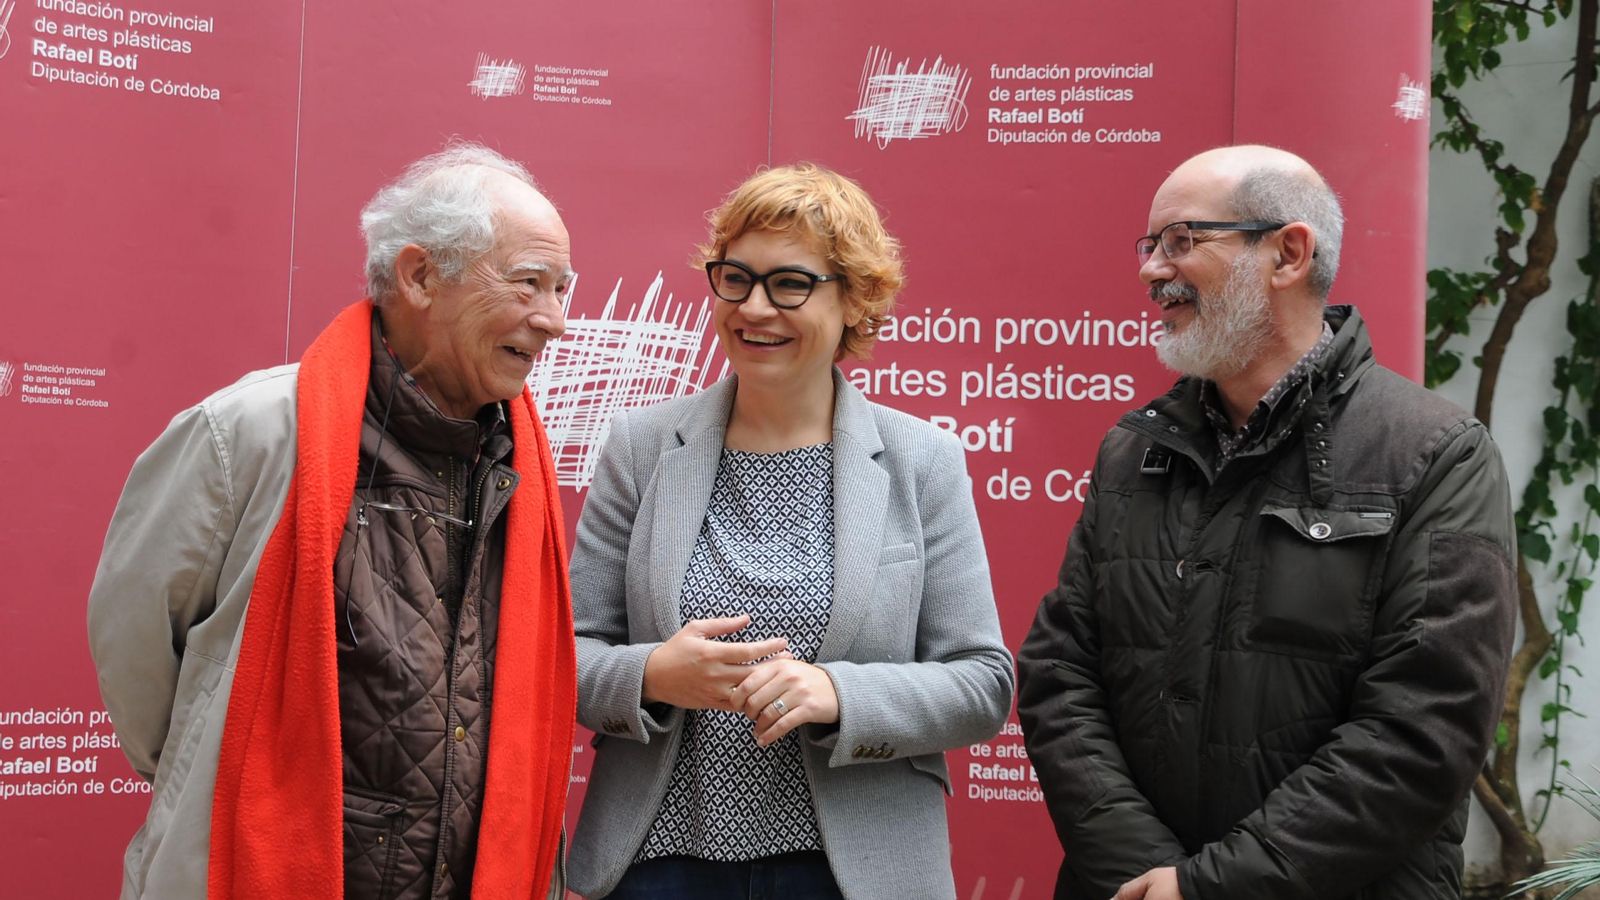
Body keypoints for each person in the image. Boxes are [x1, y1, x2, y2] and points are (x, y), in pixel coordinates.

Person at [1017, 145, 1518, 900]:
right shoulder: (1135, 449)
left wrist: (1208, 888)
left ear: (1288, 253)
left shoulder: (1436, 457)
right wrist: (1141, 871)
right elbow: (1062, 676)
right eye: (1150, 246)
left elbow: (1422, 732)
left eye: (1182, 241)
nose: (1152, 270)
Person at [87, 142, 577, 900]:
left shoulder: (518, 463)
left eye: (562, 288)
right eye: (529, 285)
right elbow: (137, 643)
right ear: (419, 276)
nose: (555, 321)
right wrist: (221, 770)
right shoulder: (249, 432)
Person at [564, 163, 1014, 900]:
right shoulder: (642, 447)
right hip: (658, 862)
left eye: (790, 284)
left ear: (856, 300)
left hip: (851, 871)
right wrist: (653, 676)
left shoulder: (921, 461)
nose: (754, 308)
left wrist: (839, 692)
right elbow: (567, 656)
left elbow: (982, 682)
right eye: (734, 278)